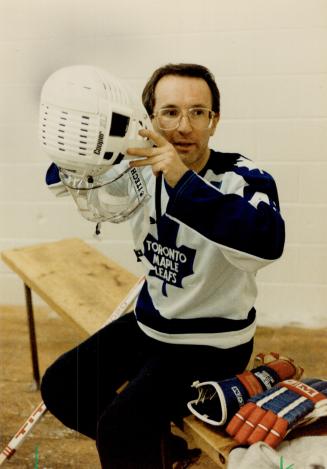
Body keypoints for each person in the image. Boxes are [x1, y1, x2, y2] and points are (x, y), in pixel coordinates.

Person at [41, 63, 285, 468]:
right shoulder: (137, 167)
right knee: (63, 387)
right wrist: (91, 148)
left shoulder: (244, 177)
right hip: (151, 324)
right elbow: (57, 180)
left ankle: (146, 446)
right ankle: (167, 453)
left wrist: (182, 181)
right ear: (149, 118)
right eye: (169, 112)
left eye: (197, 112)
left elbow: (266, 243)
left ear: (215, 121)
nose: (183, 126)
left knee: (120, 426)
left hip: (213, 343)